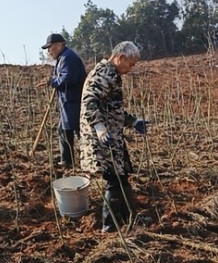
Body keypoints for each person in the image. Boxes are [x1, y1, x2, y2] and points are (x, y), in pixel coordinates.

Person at [79, 41, 151, 232]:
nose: (131, 68)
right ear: (120, 58)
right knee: (114, 179)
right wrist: (100, 128)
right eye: (131, 64)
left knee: (122, 176)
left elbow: (113, 110)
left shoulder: (113, 74)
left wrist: (134, 122)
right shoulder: (103, 74)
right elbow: (89, 103)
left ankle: (130, 219)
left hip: (112, 137)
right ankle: (109, 227)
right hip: (102, 139)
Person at [40, 33, 87, 168]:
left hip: (74, 101)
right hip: (67, 101)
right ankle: (67, 161)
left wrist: (52, 82)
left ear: (60, 45)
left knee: (78, 130)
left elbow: (68, 78)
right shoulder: (62, 58)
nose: (49, 51)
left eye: (50, 48)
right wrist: (51, 80)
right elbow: (59, 76)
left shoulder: (68, 58)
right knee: (64, 130)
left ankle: (87, 159)